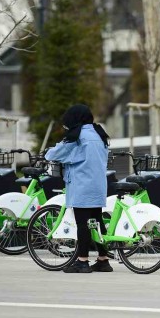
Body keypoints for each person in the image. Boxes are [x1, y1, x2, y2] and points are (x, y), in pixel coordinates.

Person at [45, 104, 112, 273]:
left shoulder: (77, 136)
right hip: (98, 185)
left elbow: (53, 155)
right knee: (96, 222)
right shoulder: (99, 134)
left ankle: (82, 261)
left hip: (82, 185)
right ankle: (103, 260)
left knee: (83, 224)